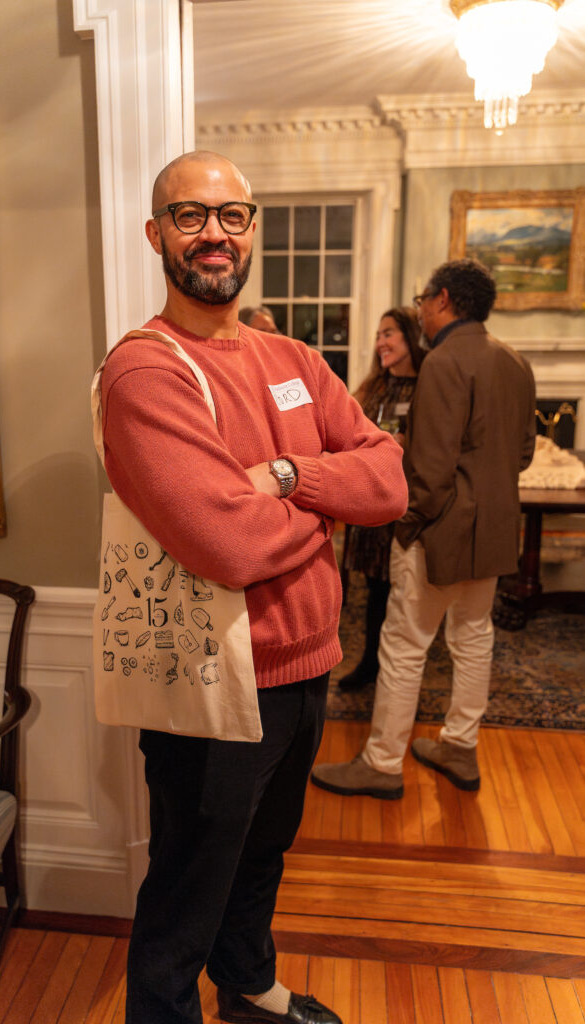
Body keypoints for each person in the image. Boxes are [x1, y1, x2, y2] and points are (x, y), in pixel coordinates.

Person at [99, 150, 408, 1024]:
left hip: (306, 668)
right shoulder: (145, 372)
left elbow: (387, 480)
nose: (212, 234)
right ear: (156, 234)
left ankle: (250, 989)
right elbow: (228, 544)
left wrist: (278, 475)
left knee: (263, 854)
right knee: (188, 885)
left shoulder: (295, 359)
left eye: (230, 216)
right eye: (190, 216)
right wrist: (326, 501)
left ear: (252, 230)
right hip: (212, 683)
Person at [312, 258, 535, 800]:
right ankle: (460, 745)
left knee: (405, 645)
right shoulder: (515, 361)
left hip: (438, 531)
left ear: (442, 300)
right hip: (498, 531)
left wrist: (406, 526)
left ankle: (383, 763)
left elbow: (430, 472)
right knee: (474, 638)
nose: (420, 310)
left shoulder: (442, 363)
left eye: (421, 301)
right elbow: (523, 454)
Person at [339, 306, 425, 692]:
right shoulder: (372, 388)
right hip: (372, 502)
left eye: (389, 333)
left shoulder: (428, 386)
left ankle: (399, 672)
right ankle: (370, 662)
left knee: (404, 594)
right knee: (374, 590)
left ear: (410, 337)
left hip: (408, 506)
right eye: (378, 335)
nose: (380, 343)